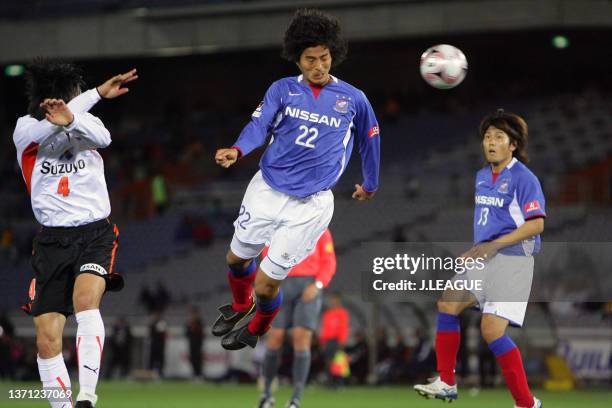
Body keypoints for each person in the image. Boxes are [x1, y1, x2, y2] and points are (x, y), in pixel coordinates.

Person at [212, 8, 380, 351]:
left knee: (266, 285)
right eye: (310, 59)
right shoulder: (282, 90)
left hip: (311, 205)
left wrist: (371, 183)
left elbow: (371, 139)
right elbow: (259, 125)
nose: (319, 66)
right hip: (267, 189)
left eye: (325, 57)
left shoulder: (354, 99)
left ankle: (257, 325)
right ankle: (240, 307)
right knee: (235, 259)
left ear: (333, 54)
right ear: (297, 59)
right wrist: (237, 150)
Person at [13, 59, 137, 408]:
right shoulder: (25, 130)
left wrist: (74, 114)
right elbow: (43, 129)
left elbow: (104, 137)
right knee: (46, 339)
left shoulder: (86, 124)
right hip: (51, 241)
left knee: (86, 302)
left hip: (94, 234)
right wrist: (96, 94)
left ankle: (87, 396)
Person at [413, 109, 545, 408]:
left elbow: (536, 224)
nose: (491, 142)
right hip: (486, 257)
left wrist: (493, 246)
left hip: (513, 259)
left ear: (513, 145)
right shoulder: (482, 176)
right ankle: (447, 382)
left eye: (499, 137)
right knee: (448, 301)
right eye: (487, 137)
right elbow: (489, 222)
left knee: (491, 330)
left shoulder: (524, 178)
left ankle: (526, 404)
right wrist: (477, 250)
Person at [258, 228, 336, 408]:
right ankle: (266, 395)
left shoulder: (320, 227)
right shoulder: (278, 224)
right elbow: (266, 253)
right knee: (274, 337)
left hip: (308, 285)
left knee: (301, 340)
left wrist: (317, 284)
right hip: (281, 282)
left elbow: (329, 261)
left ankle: (295, 399)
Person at [318, 292, 350, 388]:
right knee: (328, 361)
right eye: (332, 299)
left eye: (335, 299)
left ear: (339, 300)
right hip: (328, 341)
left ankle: (339, 383)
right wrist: (322, 341)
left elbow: (344, 327)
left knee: (338, 362)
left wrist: (342, 340)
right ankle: (330, 382)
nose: (333, 301)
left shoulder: (342, 313)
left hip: (337, 340)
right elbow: (324, 328)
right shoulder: (327, 314)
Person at [185, 305, 205, 379]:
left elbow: (201, 334)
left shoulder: (199, 322)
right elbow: (186, 334)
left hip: (198, 344)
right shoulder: (189, 323)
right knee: (192, 359)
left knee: (198, 359)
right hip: (191, 344)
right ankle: (194, 374)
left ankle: (199, 374)